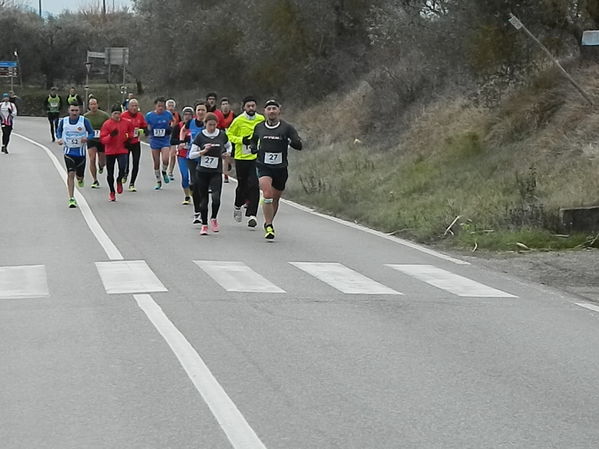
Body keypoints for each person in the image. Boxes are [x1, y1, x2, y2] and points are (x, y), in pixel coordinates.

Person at [245, 99, 302, 239]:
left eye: (274, 109)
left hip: (281, 168)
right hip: (263, 166)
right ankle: (269, 225)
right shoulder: (259, 127)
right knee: (267, 194)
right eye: (269, 109)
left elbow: (299, 145)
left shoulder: (287, 128)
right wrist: (253, 147)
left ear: (279, 111)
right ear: (264, 112)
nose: (271, 111)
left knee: (275, 198)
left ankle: (267, 222)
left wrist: (292, 141)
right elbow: (253, 140)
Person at [188, 113, 232, 235]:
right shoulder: (200, 136)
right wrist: (202, 152)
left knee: (216, 198)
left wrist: (227, 153)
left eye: (214, 124)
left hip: (216, 172)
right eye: (209, 124)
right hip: (202, 172)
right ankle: (204, 225)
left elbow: (229, 146)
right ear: (205, 124)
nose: (212, 127)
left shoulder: (222, 135)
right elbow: (191, 155)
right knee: (204, 200)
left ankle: (214, 218)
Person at [226, 96, 264, 228]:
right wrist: (242, 140)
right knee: (242, 186)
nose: (251, 108)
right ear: (244, 107)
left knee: (254, 184)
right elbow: (229, 135)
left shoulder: (261, 119)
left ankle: (252, 214)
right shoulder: (238, 120)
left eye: (253, 106)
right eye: (248, 106)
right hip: (241, 157)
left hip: (255, 158)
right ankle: (237, 205)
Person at [56, 104, 95, 208]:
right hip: (69, 152)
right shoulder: (63, 121)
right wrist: (59, 138)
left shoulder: (84, 121)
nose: (74, 113)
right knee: (70, 173)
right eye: (72, 110)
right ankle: (71, 198)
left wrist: (87, 138)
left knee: (79, 175)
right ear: (69, 110)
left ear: (79, 111)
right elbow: (58, 131)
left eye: (76, 110)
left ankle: (80, 179)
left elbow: (92, 133)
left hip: (81, 153)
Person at [180, 102, 207, 223]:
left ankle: (203, 210)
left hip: (205, 158)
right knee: (194, 184)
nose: (200, 112)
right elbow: (183, 130)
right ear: (195, 112)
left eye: (203, 110)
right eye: (198, 110)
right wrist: (182, 141)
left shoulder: (209, 123)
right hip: (192, 157)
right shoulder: (190, 122)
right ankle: (197, 211)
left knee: (203, 186)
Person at [100, 105, 134, 202]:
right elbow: (103, 140)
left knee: (122, 168)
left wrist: (129, 139)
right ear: (111, 114)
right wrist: (110, 136)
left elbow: (131, 131)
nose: (117, 115)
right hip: (110, 151)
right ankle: (112, 191)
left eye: (119, 113)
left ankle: (119, 180)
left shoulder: (126, 122)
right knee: (110, 172)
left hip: (122, 149)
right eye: (115, 113)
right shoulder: (107, 124)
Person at [145, 97, 174, 190]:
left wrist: (170, 128)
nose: (160, 108)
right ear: (155, 106)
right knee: (156, 162)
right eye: (159, 106)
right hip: (154, 140)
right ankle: (158, 181)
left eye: (162, 106)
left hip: (165, 140)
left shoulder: (168, 114)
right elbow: (146, 125)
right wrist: (148, 131)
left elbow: (173, 122)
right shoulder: (149, 115)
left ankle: (164, 171)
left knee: (166, 159)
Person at [121, 98, 147, 192]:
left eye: (136, 106)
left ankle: (132, 183)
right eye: (132, 106)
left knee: (136, 162)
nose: (134, 108)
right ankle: (125, 174)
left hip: (136, 142)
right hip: (126, 142)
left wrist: (144, 131)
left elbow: (144, 127)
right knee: (125, 162)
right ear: (128, 106)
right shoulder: (123, 115)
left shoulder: (140, 116)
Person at [84, 98, 110, 188]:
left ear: (97, 105)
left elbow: (110, 125)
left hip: (102, 140)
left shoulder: (104, 115)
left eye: (94, 104)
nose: (93, 106)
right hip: (91, 139)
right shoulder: (85, 116)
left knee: (102, 161)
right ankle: (95, 180)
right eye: (91, 104)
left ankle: (101, 166)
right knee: (92, 159)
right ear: (89, 106)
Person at [173, 106, 194, 205]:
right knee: (185, 176)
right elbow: (172, 140)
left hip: (194, 155)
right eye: (185, 114)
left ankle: (195, 193)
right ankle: (187, 196)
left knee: (195, 178)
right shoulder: (178, 126)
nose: (188, 117)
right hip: (182, 155)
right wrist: (180, 143)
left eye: (190, 115)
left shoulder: (197, 126)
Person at [219, 97, 235, 182]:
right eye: (223, 104)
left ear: (229, 106)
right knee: (225, 156)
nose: (225, 106)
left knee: (229, 158)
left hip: (232, 138)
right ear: (221, 106)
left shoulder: (233, 115)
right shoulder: (218, 115)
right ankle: (225, 175)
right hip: (222, 138)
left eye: (226, 104)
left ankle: (228, 166)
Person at [166, 98, 182, 181]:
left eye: (172, 106)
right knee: (165, 156)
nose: (171, 107)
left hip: (173, 136)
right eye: (169, 106)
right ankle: (164, 168)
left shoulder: (177, 115)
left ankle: (170, 172)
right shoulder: (163, 115)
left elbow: (181, 125)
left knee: (173, 154)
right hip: (165, 137)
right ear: (166, 107)